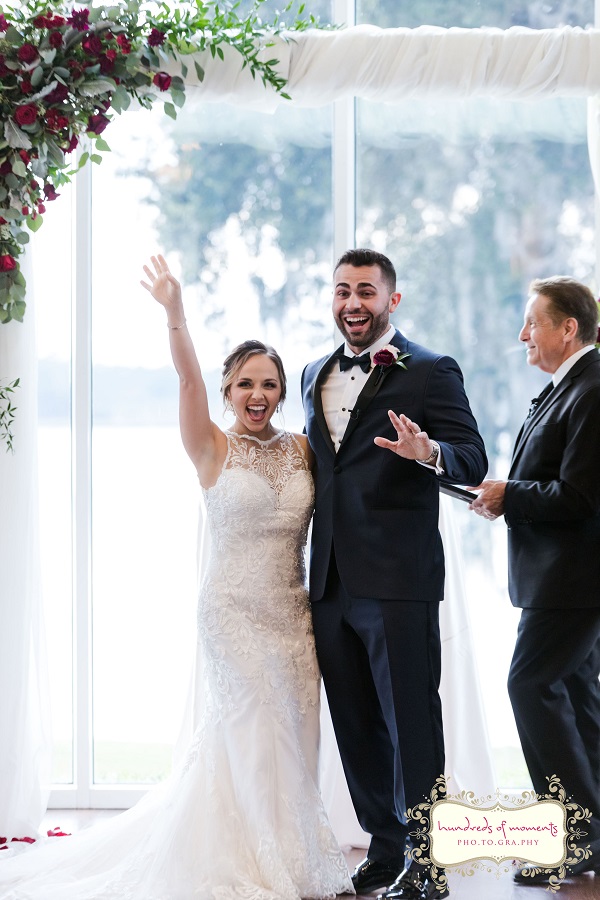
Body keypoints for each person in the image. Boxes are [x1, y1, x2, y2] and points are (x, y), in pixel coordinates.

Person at [0, 254, 353, 900]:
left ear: (282, 392)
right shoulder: (210, 447)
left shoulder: (303, 449)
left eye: (270, 384)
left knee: (296, 741)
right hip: (233, 614)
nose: (258, 395)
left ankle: (297, 856)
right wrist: (175, 313)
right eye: (245, 384)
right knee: (250, 735)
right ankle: (255, 862)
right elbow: (187, 379)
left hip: (293, 615)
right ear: (227, 393)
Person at [301, 248, 487, 900]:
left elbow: (471, 457)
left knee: (412, 722)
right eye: (343, 290)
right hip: (328, 584)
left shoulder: (432, 372)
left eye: (367, 292)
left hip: (400, 580)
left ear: (392, 300)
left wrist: (429, 451)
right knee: (355, 724)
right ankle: (385, 847)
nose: (353, 303)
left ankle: (429, 862)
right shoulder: (310, 373)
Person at [470, 276, 600, 885]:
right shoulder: (564, 388)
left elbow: (579, 496)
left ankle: (573, 837)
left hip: (573, 580)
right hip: (559, 579)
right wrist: (499, 493)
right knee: (575, 698)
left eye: (533, 323)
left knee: (529, 686)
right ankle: (591, 837)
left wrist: (508, 495)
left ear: (567, 328)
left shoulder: (593, 388)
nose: (523, 334)